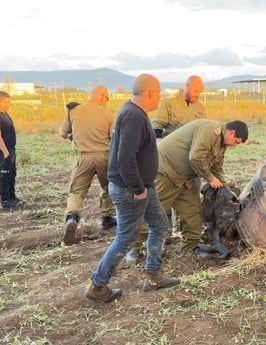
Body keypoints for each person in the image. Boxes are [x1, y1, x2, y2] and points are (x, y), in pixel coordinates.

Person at [85, 74, 180, 303]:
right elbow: (125, 158)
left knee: (159, 224)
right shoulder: (134, 117)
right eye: (158, 92)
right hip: (131, 190)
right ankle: (98, 285)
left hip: (142, 187)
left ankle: (153, 276)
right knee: (126, 237)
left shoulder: (132, 112)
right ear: (149, 93)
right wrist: (138, 188)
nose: (159, 97)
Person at [126, 75, 207, 264]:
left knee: (191, 209)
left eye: (200, 92)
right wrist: (160, 150)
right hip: (168, 165)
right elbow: (156, 128)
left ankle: (191, 245)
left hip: (189, 165)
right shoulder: (169, 103)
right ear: (186, 86)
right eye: (196, 91)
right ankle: (134, 246)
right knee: (154, 208)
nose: (198, 95)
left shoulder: (200, 108)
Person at [154, 119, 248, 254]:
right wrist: (210, 179)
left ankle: (190, 247)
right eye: (236, 142)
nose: (235, 146)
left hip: (187, 177)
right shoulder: (209, 130)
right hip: (167, 171)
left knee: (192, 212)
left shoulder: (222, 144)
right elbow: (196, 158)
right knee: (155, 211)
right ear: (231, 132)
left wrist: (227, 192)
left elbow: (217, 168)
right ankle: (135, 248)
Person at [59, 85, 116, 246]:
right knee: (107, 187)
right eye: (107, 98)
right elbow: (115, 138)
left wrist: (73, 136)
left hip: (83, 158)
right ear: (102, 97)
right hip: (104, 157)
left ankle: (72, 217)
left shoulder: (73, 111)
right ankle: (107, 217)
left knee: (77, 191)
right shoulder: (109, 115)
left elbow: (63, 133)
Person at [0, 91, 26, 209]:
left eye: (9, 102)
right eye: (5, 102)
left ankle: (12, 197)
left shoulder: (5, 114)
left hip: (11, 149)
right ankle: (5, 201)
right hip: (3, 150)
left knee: (12, 174)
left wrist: (11, 151)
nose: (8, 104)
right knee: (4, 175)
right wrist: (5, 152)